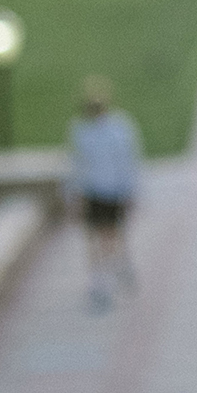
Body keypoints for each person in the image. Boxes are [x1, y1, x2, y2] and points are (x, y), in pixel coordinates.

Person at [67, 76, 141, 311]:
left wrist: (130, 191)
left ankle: (112, 272)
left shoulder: (119, 128)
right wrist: (74, 195)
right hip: (92, 192)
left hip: (113, 192)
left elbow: (128, 161)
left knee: (111, 235)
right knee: (95, 238)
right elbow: (76, 164)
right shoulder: (80, 131)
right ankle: (101, 279)